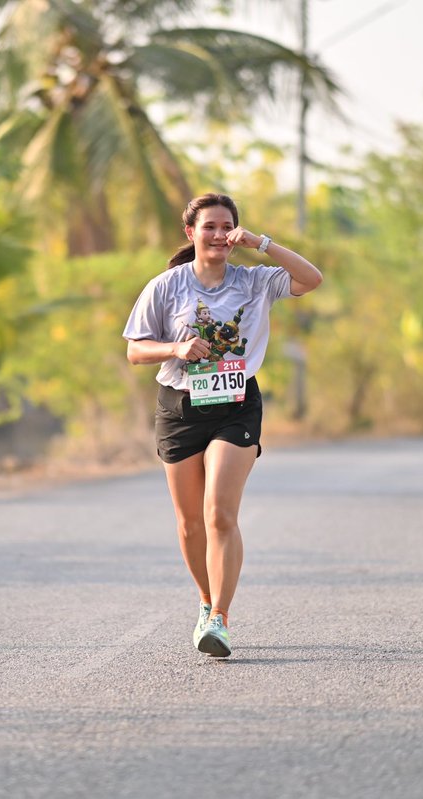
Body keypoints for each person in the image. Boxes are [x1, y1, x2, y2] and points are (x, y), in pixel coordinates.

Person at [122, 193, 323, 658]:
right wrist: (175, 349)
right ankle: (205, 600)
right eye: (208, 226)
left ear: (237, 233)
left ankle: (221, 620)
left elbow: (311, 279)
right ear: (190, 233)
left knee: (219, 513)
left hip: (236, 406)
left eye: (226, 227)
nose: (218, 235)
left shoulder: (255, 281)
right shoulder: (166, 287)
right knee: (191, 524)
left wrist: (263, 243)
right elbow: (135, 349)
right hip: (180, 407)